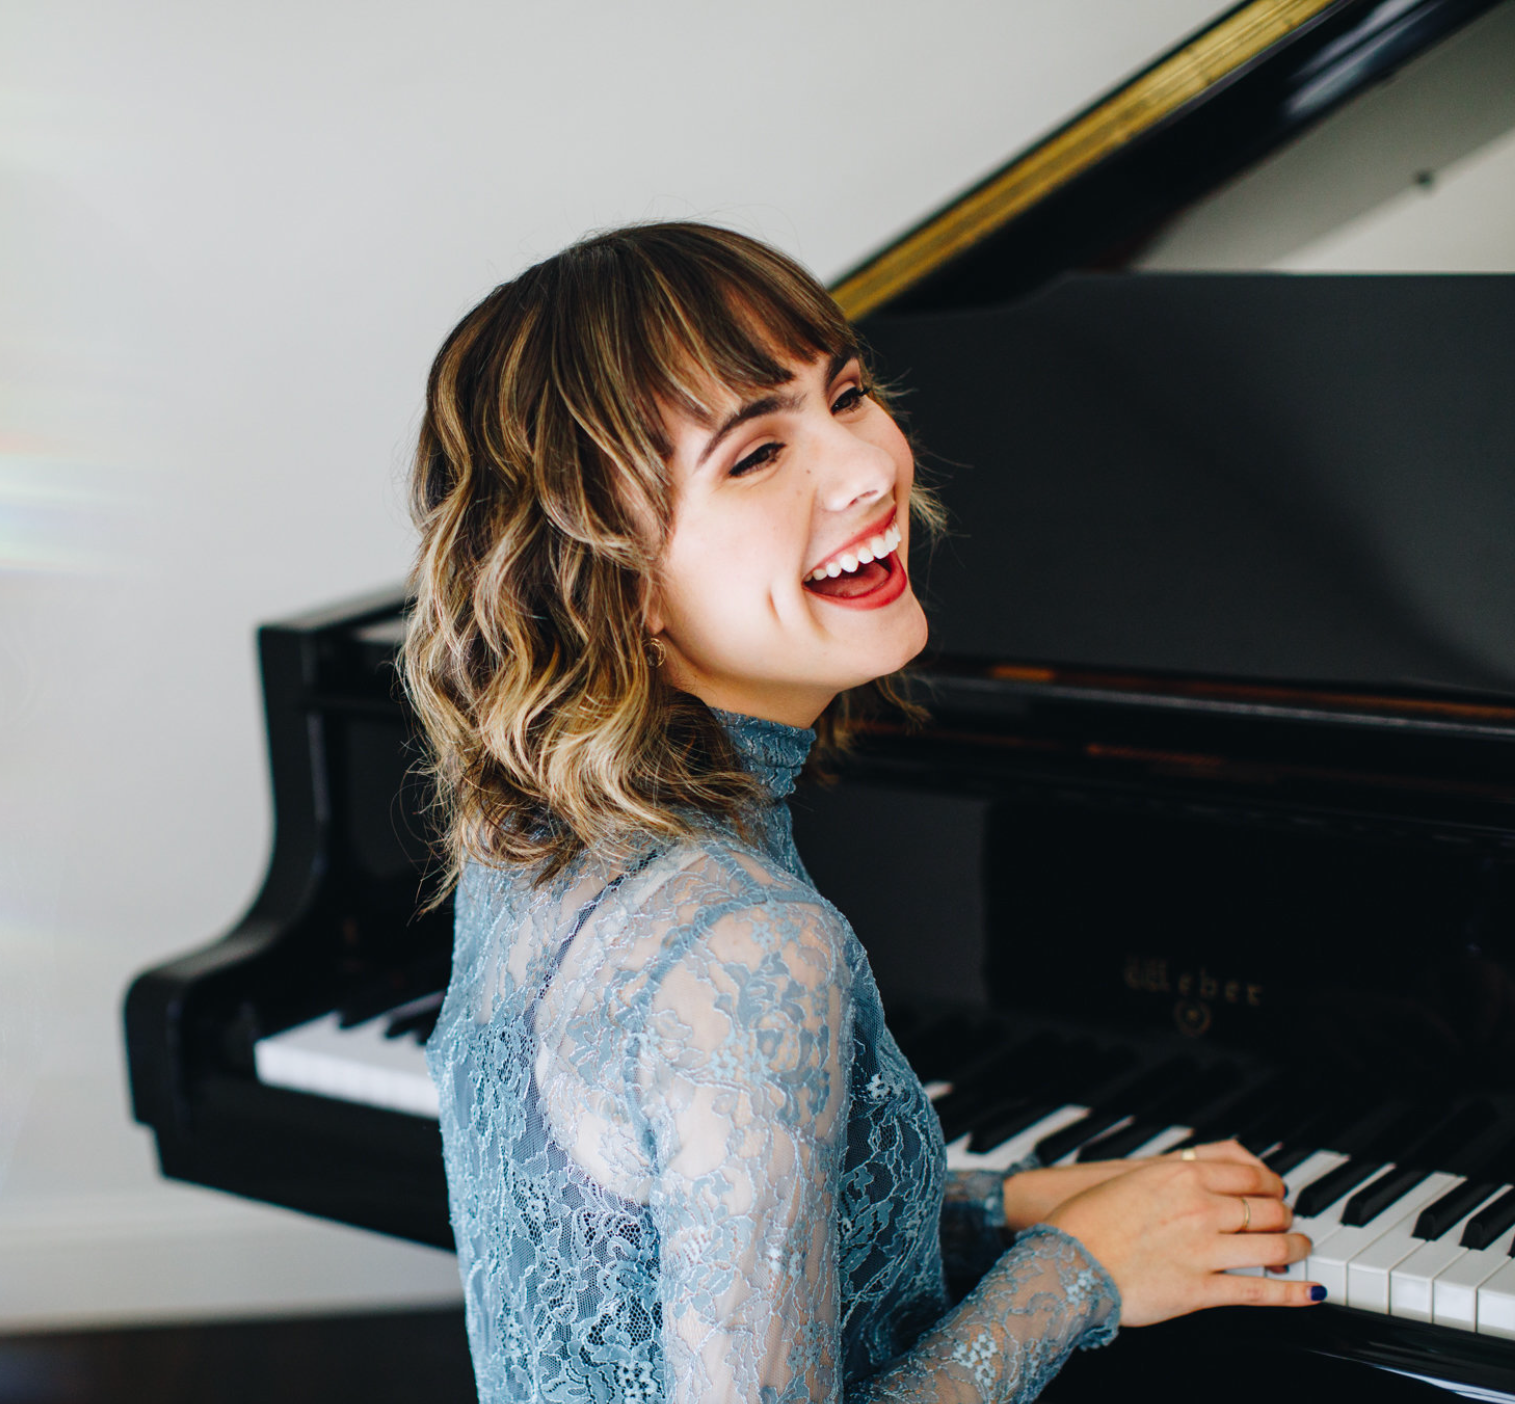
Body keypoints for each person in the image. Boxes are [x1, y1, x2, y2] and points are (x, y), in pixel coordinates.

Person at [401, 222, 1321, 1404]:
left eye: (845, 392)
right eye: (755, 455)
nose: (868, 466)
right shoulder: (755, 947)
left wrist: (994, 1204)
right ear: (612, 580)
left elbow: (688, 1222)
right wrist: (1078, 1275)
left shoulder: (533, 842)